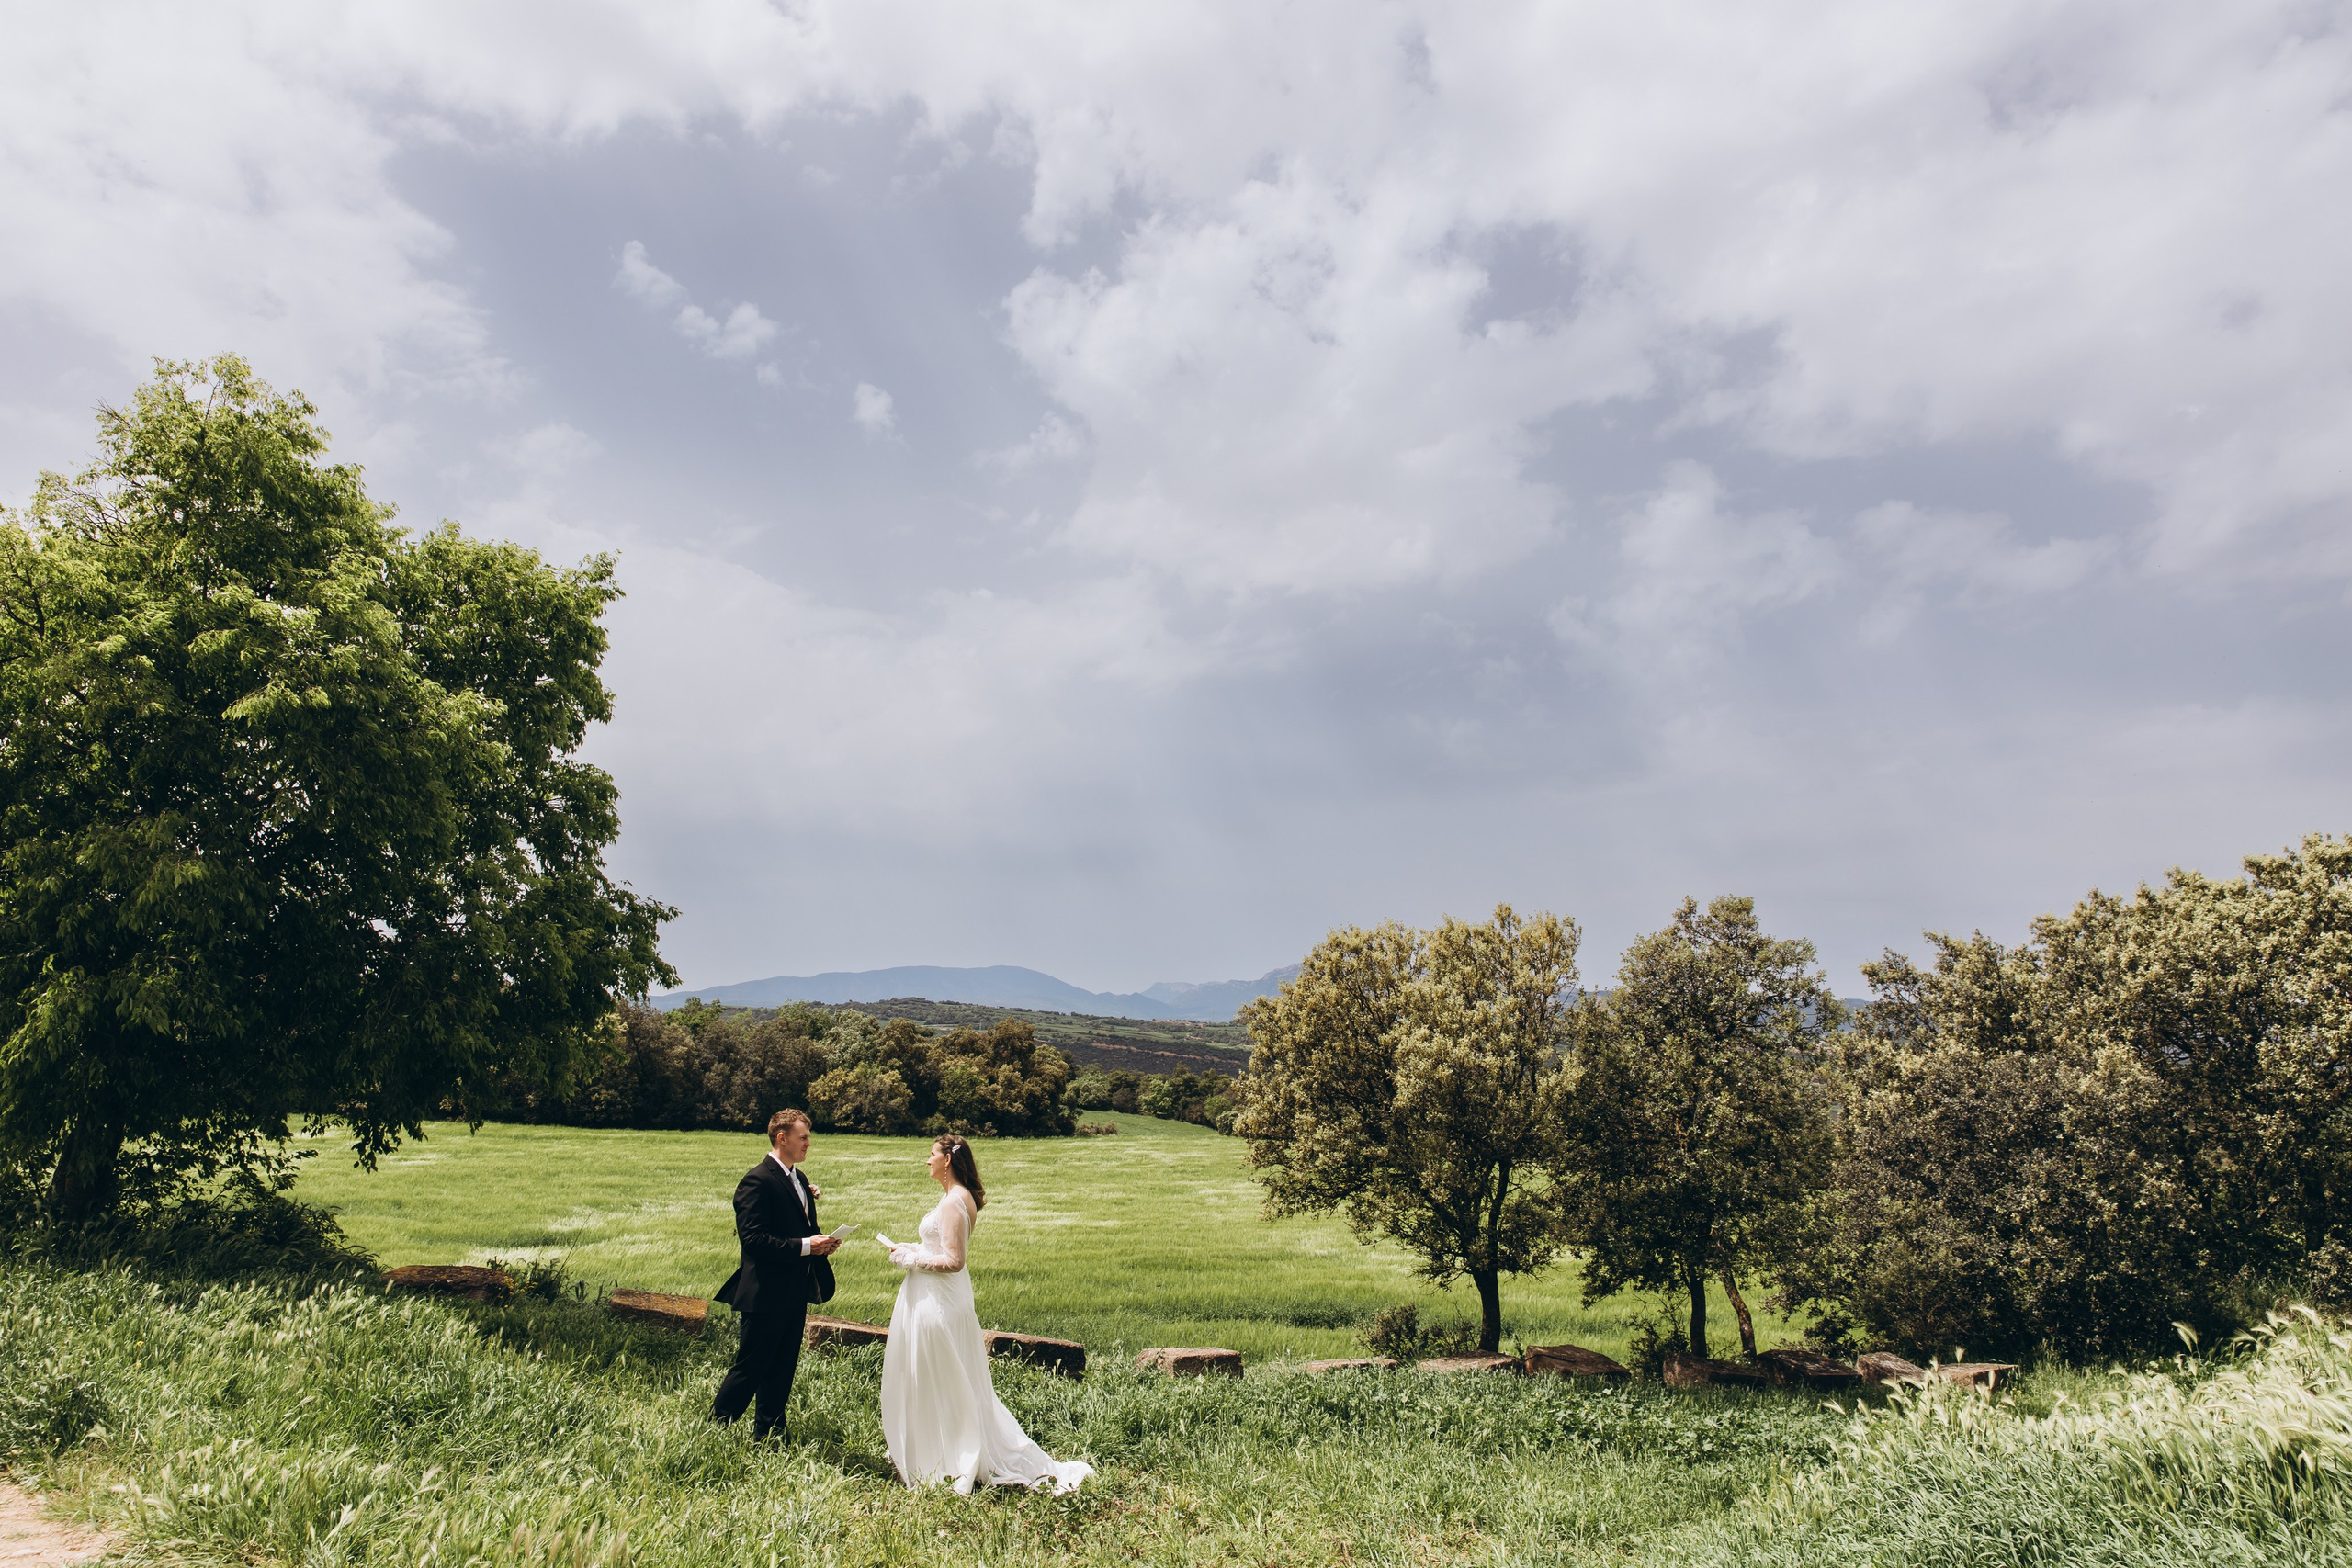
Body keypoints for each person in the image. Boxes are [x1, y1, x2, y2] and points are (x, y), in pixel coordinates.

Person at [877, 1134, 1094, 1494]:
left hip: (940, 1302)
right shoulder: (956, 1198)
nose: (926, 1160)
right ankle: (941, 1450)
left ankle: (949, 1457)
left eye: (931, 1154)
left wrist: (909, 1259)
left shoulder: (953, 1202)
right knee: (947, 1377)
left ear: (948, 1159)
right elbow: (942, 1246)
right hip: (943, 1296)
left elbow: (953, 1260)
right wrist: (913, 1247)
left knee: (942, 1377)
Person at [710, 1109, 842, 1440]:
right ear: (782, 1138)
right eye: (803, 1137)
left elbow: (802, 1228)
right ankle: (714, 1427)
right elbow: (753, 1240)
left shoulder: (798, 1179)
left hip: (794, 1291)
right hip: (764, 1293)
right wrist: (805, 1246)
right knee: (751, 1366)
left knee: (783, 1368)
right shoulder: (756, 1180)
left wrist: (822, 1243)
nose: (809, 1144)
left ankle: (770, 1436)